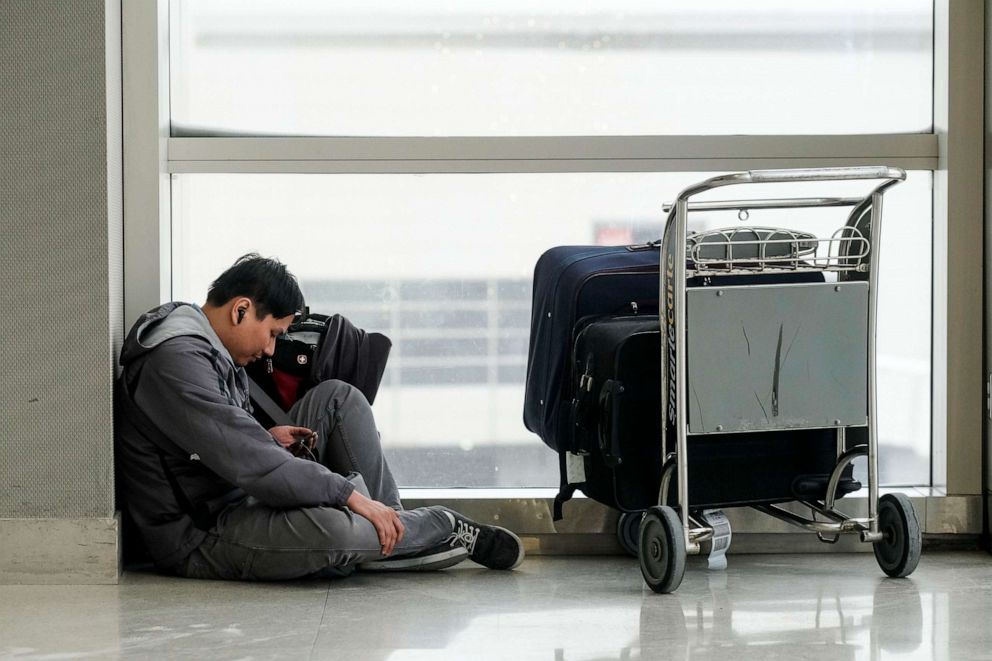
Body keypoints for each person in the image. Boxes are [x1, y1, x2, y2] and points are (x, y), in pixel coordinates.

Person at [116, 253, 524, 580]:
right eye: (273, 333)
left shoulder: (201, 340)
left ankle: (389, 530)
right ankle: (436, 527)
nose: (272, 350)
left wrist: (267, 436)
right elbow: (246, 460)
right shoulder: (176, 361)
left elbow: (221, 442)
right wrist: (346, 494)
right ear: (241, 310)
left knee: (337, 398)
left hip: (228, 487)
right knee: (336, 530)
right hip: (200, 531)